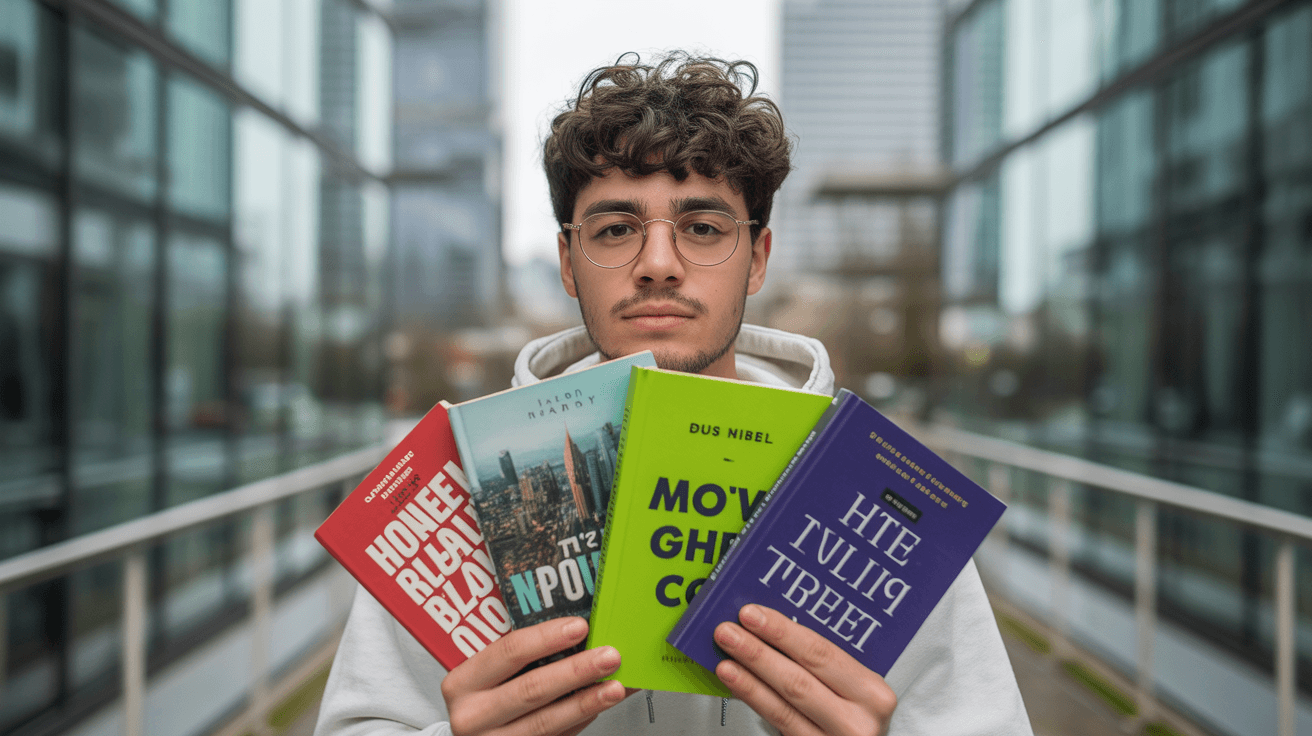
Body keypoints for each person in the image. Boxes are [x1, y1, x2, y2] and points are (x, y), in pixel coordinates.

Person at [315, 52, 1032, 736]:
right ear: (568, 262)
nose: (658, 264)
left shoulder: (873, 499)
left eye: (703, 227)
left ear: (757, 258)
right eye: (618, 228)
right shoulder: (454, 491)